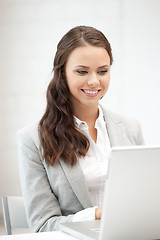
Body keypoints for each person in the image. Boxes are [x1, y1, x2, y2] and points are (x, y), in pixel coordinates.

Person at [17, 25, 144, 232]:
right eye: (82, 71)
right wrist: (96, 214)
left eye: (102, 71)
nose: (94, 81)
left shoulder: (131, 129)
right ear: (62, 73)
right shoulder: (32, 140)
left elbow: (144, 202)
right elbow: (42, 225)